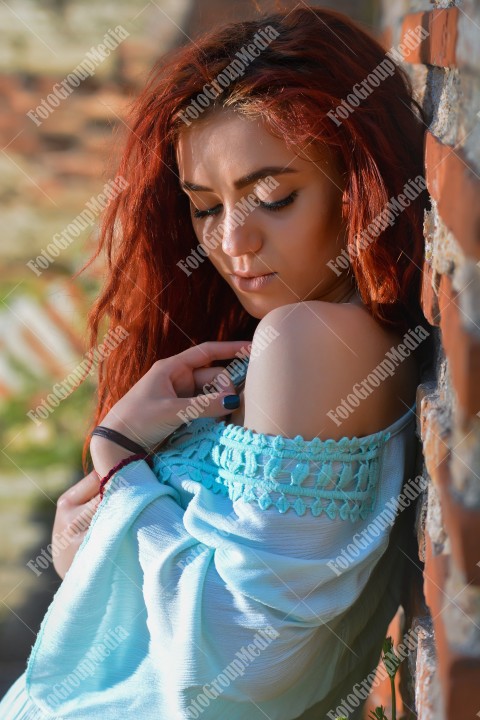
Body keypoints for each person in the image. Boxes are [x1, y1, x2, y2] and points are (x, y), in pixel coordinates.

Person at [0, 5, 434, 719]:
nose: (232, 241)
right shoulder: (305, 343)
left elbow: (241, 670)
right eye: (204, 207)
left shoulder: (306, 340)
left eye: (273, 197)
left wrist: (117, 463)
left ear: (358, 180)